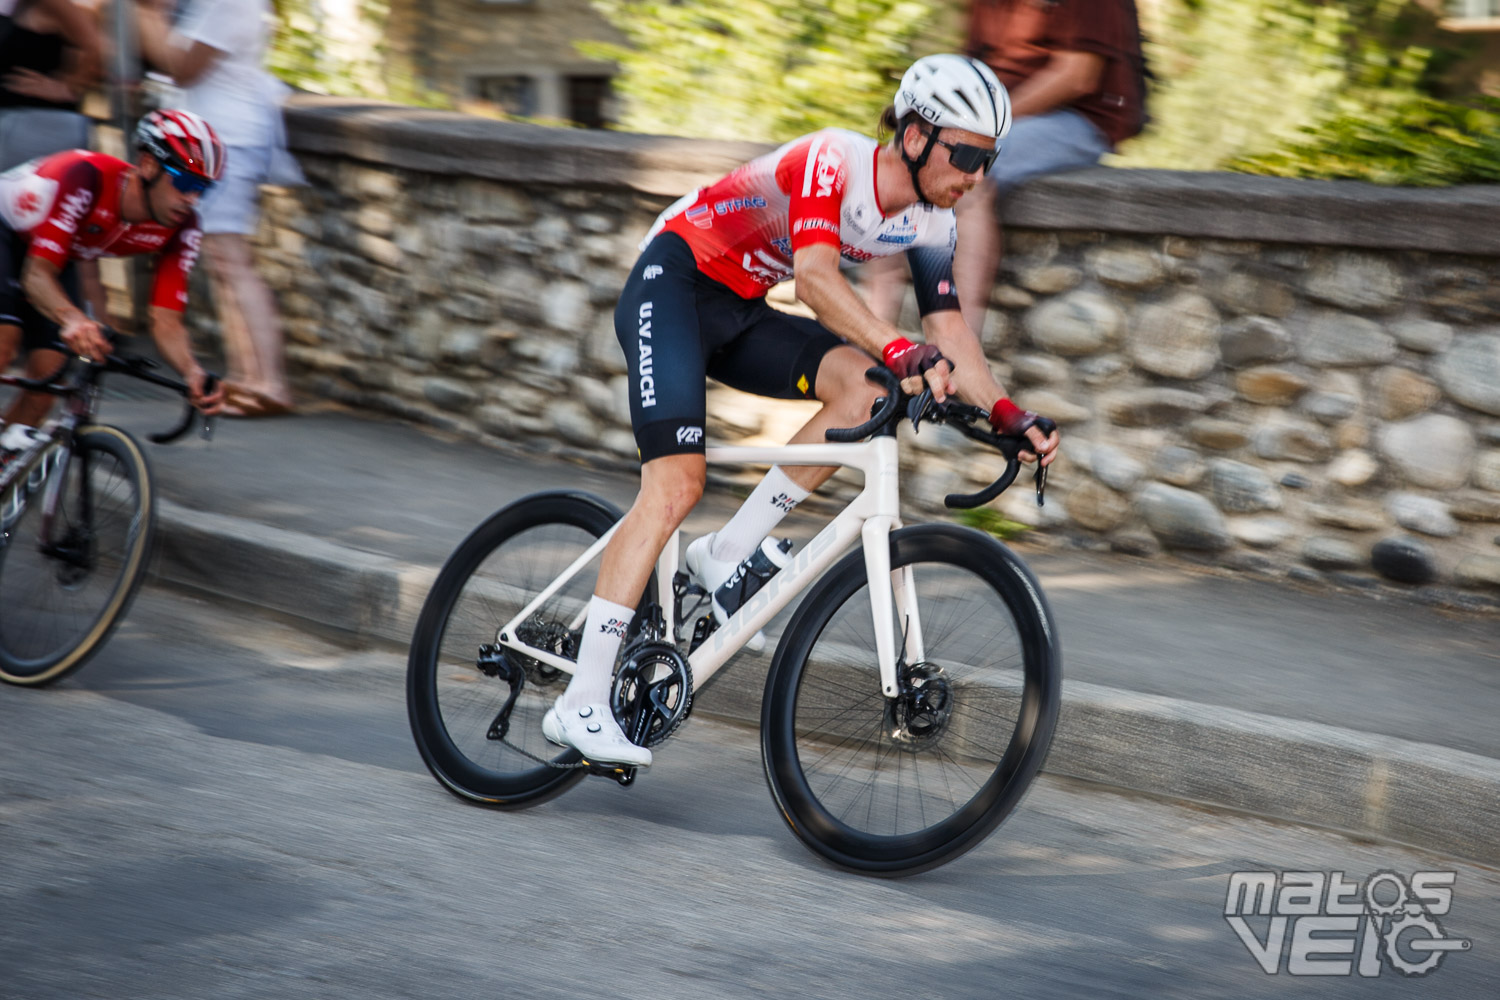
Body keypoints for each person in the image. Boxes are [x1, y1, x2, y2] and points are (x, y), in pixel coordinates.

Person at [541, 54, 1061, 768]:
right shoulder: (832, 162)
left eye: (988, 159)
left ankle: (726, 554)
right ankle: (581, 702)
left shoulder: (931, 221)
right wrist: (902, 348)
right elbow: (816, 280)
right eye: (966, 154)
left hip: (741, 308)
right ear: (914, 136)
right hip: (674, 281)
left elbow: (953, 333)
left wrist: (1007, 412)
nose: (974, 176)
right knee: (675, 485)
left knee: (868, 388)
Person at [866, 0, 1148, 333]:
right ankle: (870, 342)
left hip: (1078, 119)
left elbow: (1076, 76)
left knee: (968, 172)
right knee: (903, 163)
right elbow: (968, 68)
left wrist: (983, 127)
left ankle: (957, 353)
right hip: (995, 114)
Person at [0, 107, 226, 451]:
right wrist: (74, 319)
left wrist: (193, 372)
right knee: (5, 340)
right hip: (7, 230)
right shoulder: (86, 178)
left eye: (203, 189)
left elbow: (166, 320)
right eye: (184, 182)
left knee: (49, 375)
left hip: (55, 252)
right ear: (149, 165)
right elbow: (37, 275)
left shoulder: (183, 227)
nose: (192, 198)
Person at [135, 0, 296, 417]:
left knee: (233, 261)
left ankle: (271, 383)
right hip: (218, 138)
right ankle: (249, 379)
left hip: (230, 140)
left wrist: (149, 14)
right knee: (225, 264)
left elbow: (182, 67)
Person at [0, 0, 103, 113]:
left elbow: (96, 47)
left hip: (35, 116)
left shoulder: (52, 3)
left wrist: (65, 88)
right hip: (13, 114)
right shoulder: (15, 5)